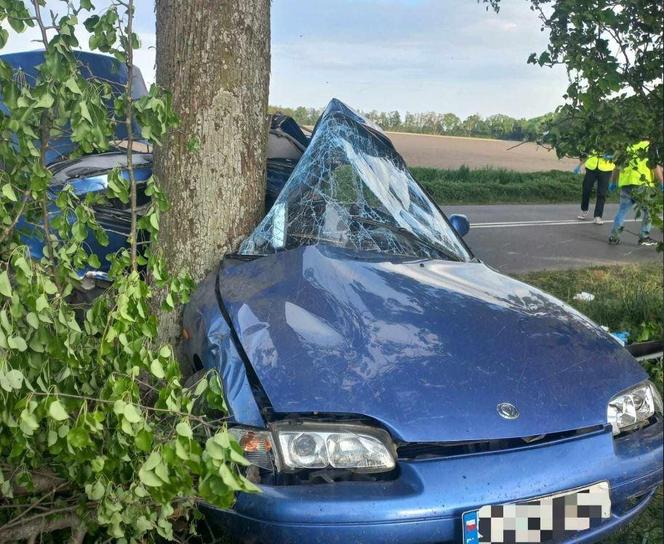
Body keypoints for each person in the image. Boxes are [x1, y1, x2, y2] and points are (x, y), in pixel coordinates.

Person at [608, 140, 663, 246]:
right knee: (649, 211)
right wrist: (662, 182)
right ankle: (644, 237)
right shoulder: (648, 146)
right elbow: (654, 166)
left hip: (626, 185)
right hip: (642, 184)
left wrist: (613, 182)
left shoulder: (623, 146)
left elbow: (616, 168)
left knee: (622, 211)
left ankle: (614, 237)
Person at [576, 152, 615, 224]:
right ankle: (584, 209)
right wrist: (579, 165)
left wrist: (612, 155)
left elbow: (618, 152)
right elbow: (586, 152)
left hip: (606, 168)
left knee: (602, 193)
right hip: (591, 167)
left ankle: (598, 216)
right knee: (586, 188)